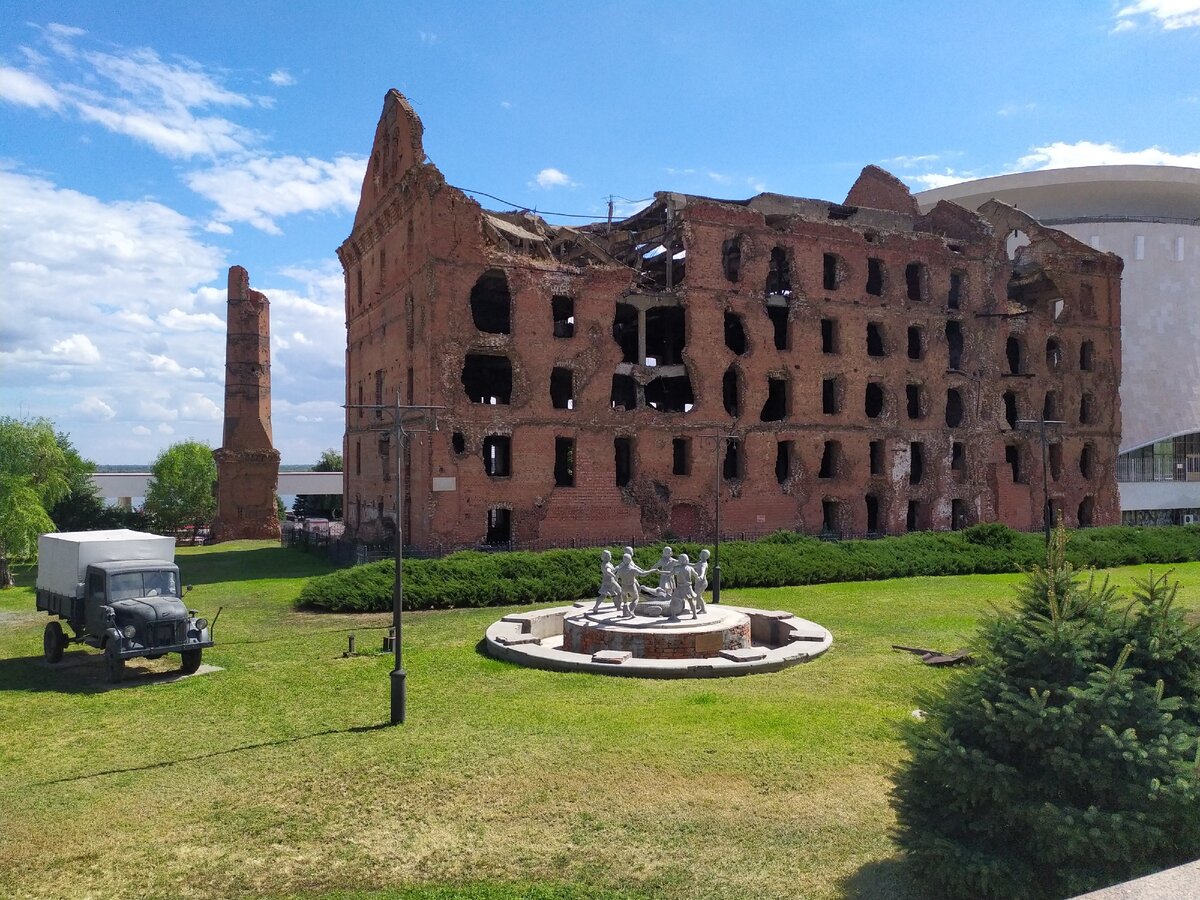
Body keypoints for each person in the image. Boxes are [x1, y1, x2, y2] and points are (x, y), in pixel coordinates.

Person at [614, 550, 657, 616]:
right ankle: (632, 611)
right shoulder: (632, 569)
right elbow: (643, 573)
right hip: (631, 586)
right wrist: (652, 570)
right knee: (636, 598)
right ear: (630, 559)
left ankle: (625, 613)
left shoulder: (620, 570)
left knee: (625, 601)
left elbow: (616, 578)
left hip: (624, 587)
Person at [693, 549, 710, 614]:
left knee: (698, 596)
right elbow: (694, 565)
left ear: (704, 556)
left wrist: (701, 576)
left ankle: (703, 609)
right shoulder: (700, 562)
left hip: (702, 582)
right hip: (699, 582)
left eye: (702, 553)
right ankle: (698, 606)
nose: (700, 554)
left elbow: (703, 571)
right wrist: (686, 563)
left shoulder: (704, 564)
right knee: (698, 594)